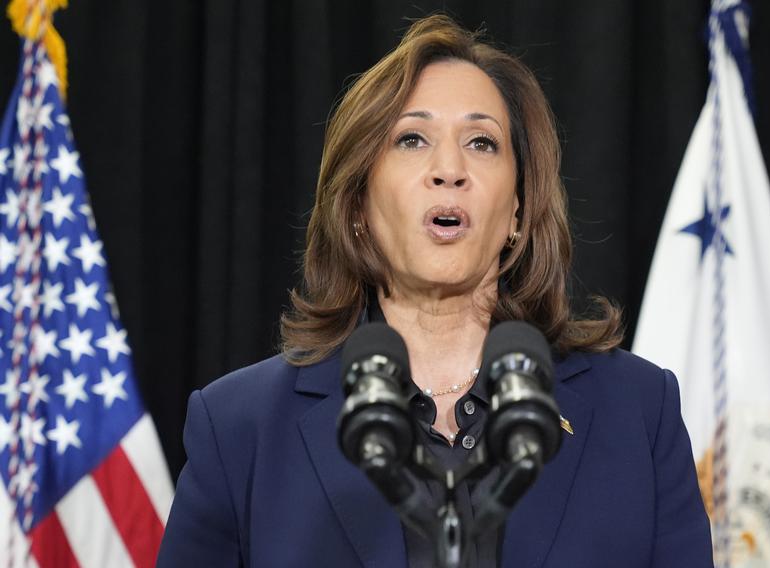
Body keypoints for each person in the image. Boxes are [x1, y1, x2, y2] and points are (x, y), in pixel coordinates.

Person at [157, 14, 713, 568]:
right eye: (412, 139)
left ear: (517, 208)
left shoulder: (638, 412)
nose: (449, 169)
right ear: (357, 207)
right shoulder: (239, 429)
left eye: (481, 142)